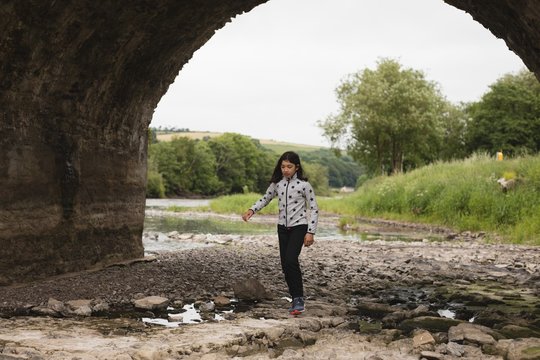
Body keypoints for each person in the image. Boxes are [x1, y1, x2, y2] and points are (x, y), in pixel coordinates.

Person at [242, 151, 319, 315]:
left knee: (291, 260)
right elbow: (266, 198)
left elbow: (314, 208)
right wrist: (252, 210)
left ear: (296, 167)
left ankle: (299, 299)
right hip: (282, 228)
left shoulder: (304, 185)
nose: (285, 170)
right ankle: (294, 298)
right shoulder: (277, 183)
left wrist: (310, 232)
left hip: (299, 227)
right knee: (285, 266)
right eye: (283, 166)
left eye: (289, 167)